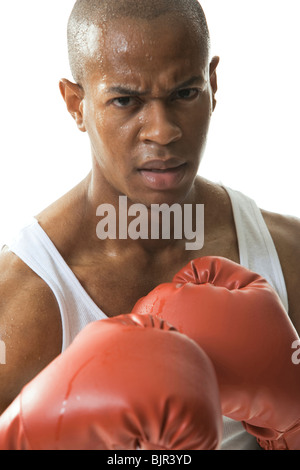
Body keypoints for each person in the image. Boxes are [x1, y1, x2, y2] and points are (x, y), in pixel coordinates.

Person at [0, 0, 299, 450]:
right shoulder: (22, 305)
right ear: (75, 104)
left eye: (184, 93)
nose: (162, 131)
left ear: (212, 85)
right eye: (125, 100)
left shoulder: (286, 258)